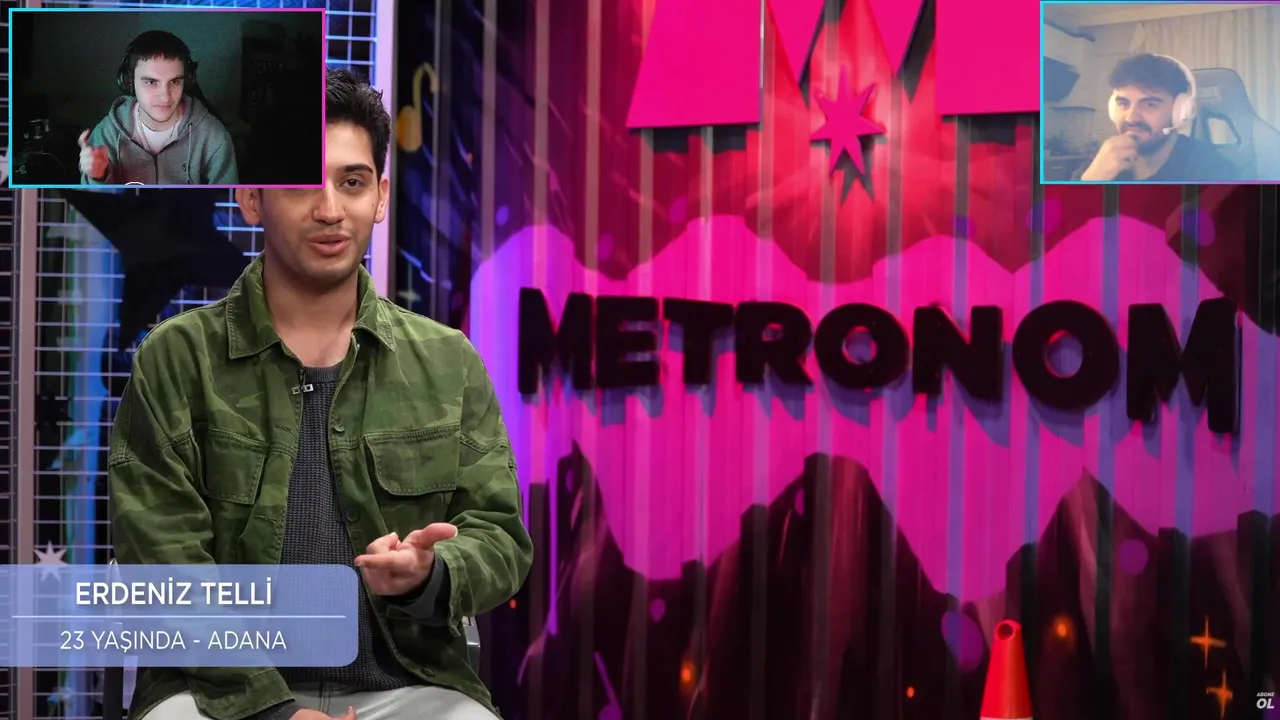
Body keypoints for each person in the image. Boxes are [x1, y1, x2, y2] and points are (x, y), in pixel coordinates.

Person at [107, 69, 531, 720]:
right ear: (251, 198)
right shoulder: (177, 360)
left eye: (352, 182)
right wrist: (274, 712)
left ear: (381, 196)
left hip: (406, 683)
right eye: (303, 183)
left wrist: (431, 573)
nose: (330, 209)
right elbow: (165, 566)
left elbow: (500, 538)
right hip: (219, 693)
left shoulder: (449, 361)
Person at [80, 30, 237, 185]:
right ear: (129, 81)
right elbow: (90, 199)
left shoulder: (213, 136)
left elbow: (227, 196)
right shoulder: (107, 134)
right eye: (151, 82)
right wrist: (98, 177)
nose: (165, 97)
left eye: (174, 81)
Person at [1076, 53, 1236, 182]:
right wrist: (1090, 182)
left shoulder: (1212, 171)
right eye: (1123, 103)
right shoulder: (1102, 161)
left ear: (1180, 112)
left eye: (1149, 105)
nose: (1131, 118)